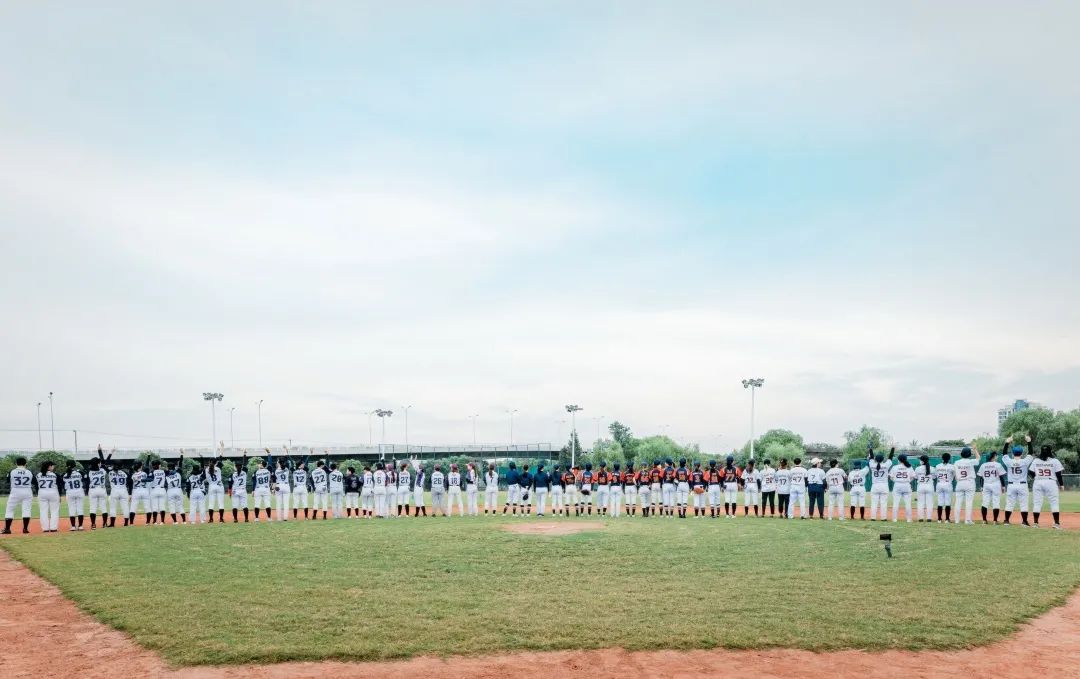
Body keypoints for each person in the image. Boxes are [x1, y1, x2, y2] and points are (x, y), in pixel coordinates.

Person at [1029, 445, 1064, 529]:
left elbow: (1030, 472)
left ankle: (1035, 523)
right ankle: (1056, 524)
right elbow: (1058, 474)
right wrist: (1061, 484)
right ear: (1050, 451)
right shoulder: (1055, 461)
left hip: (1038, 482)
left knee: (1037, 503)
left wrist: (1036, 478)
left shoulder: (1036, 460)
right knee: (1054, 502)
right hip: (1050, 482)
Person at [1003, 435, 1033, 526]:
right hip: (1022, 485)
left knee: (1010, 503)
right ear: (1021, 453)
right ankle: (1024, 522)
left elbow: (1004, 453)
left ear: (1012, 453)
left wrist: (1007, 442)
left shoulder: (1009, 461)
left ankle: (1007, 521)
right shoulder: (1024, 461)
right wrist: (1029, 442)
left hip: (1011, 485)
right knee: (1024, 504)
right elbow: (1031, 453)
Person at [3, 457, 34, 534]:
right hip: (27, 491)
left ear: (16, 463)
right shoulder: (29, 472)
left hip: (15, 491)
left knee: (9, 509)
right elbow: (34, 482)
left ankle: (7, 529)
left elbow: (7, 481)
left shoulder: (12, 472)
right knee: (26, 510)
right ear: (25, 463)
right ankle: (25, 529)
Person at [952, 446, 979, 525]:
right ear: (970, 454)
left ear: (961, 454)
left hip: (960, 482)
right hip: (969, 482)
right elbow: (978, 458)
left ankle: (957, 520)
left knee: (958, 502)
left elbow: (955, 474)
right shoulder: (971, 461)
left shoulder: (956, 462)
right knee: (969, 502)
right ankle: (967, 520)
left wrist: (958, 481)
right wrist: (975, 449)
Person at [866, 446, 893, 521]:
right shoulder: (886, 465)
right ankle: (883, 518)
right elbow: (890, 458)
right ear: (883, 459)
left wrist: (870, 449)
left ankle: (873, 518)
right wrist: (892, 449)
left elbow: (871, 457)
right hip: (884, 486)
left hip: (875, 486)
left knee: (874, 503)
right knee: (883, 503)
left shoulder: (872, 465)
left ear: (875, 459)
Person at [979, 450, 1006, 524]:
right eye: (996, 455)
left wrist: (981, 486)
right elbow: (1001, 477)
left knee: (985, 502)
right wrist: (1003, 486)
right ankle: (995, 521)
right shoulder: (998, 464)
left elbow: (981, 477)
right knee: (996, 502)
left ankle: (984, 520)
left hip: (986, 484)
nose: (997, 457)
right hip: (995, 484)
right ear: (994, 457)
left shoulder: (983, 465)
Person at [87, 451, 110, 529]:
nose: (100, 463)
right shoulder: (103, 470)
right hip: (102, 490)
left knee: (93, 508)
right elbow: (104, 463)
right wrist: (100, 452)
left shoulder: (89, 471)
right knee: (103, 507)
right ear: (98, 463)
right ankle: (105, 524)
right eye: (99, 462)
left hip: (93, 490)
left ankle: (93, 524)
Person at [37, 460, 61, 533]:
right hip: (53, 493)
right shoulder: (55, 474)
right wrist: (59, 495)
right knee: (54, 511)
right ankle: (53, 528)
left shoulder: (38, 474)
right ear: (49, 466)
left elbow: (36, 485)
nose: (53, 467)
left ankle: (45, 528)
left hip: (42, 493)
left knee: (43, 511)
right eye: (52, 465)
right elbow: (60, 486)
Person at [888, 454, 914, 523]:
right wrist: (907, 481)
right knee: (908, 503)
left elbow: (891, 477)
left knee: (895, 503)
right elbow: (912, 477)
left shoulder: (895, 467)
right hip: (906, 485)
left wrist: (896, 481)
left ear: (898, 460)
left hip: (897, 485)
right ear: (906, 459)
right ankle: (909, 519)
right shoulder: (909, 467)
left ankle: (894, 519)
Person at [105, 454, 129, 527]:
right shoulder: (125, 473)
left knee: (112, 508)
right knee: (125, 507)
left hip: (114, 491)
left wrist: (110, 454)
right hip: (123, 490)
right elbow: (129, 482)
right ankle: (126, 523)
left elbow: (105, 463)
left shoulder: (110, 472)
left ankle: (112, 524)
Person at [63, 463, 86, 531]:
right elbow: (84, 479)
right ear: (74, 466)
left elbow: (63, 484)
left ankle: (73, 526)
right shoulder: (80, 473)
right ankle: (80, 526)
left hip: (70, 492)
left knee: (71, 509)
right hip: (79, 492)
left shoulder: (65, 475)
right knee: (80, 509)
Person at [934, 452, 955, 523]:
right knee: (948, 502)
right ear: (949, 459)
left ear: (942, 458)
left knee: (940, 502)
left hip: (939, 484)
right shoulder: (952, 466)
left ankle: (939, 519)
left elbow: (936, 475)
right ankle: (947, 519)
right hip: (948, 483)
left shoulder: (937, 466)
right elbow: (954, 475)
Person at [165, 454, 186, 524]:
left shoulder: (166, 473)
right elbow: (180, 464)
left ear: (168, 467)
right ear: (174, 467)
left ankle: (175, 521)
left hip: (170, 490)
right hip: (178, 490)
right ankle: (184, 521)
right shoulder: (178, 472)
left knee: (171, 506)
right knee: (180, 506)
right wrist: (181, 455)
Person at [914, 455, 935, 522]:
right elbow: (934, 477)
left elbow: (916, 477)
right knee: (929, 503)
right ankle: (929, 518)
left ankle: (921, 518)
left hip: (921, 486)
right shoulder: (932, 468)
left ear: (922, 461)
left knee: (920, 503)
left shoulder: (918, 468)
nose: (919, 461)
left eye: (920, 460)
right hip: (929, 486)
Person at [206, 455, 227, 523]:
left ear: (209, 462)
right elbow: (220, 459)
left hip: (212, 486)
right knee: (221, 503)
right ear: (216, 462)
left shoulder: (206, 469)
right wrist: (222, 449)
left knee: (211, 504)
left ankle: (211, 519)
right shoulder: (218, 468)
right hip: (219, 486)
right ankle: (221, 519)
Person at [230, 452, 250, 523]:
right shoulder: (244, 472)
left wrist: (230, 492)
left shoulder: (233, 474)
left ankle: (235, 519)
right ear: (241, 467)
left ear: (235, 466)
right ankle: (246, 519)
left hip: (235, 491)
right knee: (244, 505)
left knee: (235, 506)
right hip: (243, 490)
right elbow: (245, 463)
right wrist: (244, 455)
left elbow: (230, 483)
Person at [251, 457, 272, 522]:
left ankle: (257, 518)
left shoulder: (256, 472)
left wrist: (253, 490)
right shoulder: (268, 471)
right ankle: (269, 518)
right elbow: (270, 464)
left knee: (257, 503)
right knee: (267, 503)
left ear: (262, 465)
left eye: (260, 463)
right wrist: (269, 454)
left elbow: (254, 482)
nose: (258, 464)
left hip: (258, 489)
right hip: (266, 489)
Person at [290, 455, 309, 520]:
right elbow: (306, 462)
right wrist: (309, 455)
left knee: (296, 503)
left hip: (296, 488)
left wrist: (287, 454)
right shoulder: (305, 470)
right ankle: (306, 517)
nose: (304, 464)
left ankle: (295, 517)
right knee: (305, 502)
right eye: (302, 464)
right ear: (300, 465)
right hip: (303, 487)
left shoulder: (294, 471)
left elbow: (292, 464)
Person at [273, 456, 292, 521]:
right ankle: (285, 518)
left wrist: (273, 489)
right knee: (286, 503)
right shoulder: (287, 469)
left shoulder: (276, 470)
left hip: (278, 486)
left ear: (278, 463)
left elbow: (274, 481)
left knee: (278, 503)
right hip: (286, 486)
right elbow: (288, 461)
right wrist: (286, 453)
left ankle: (279, 518)